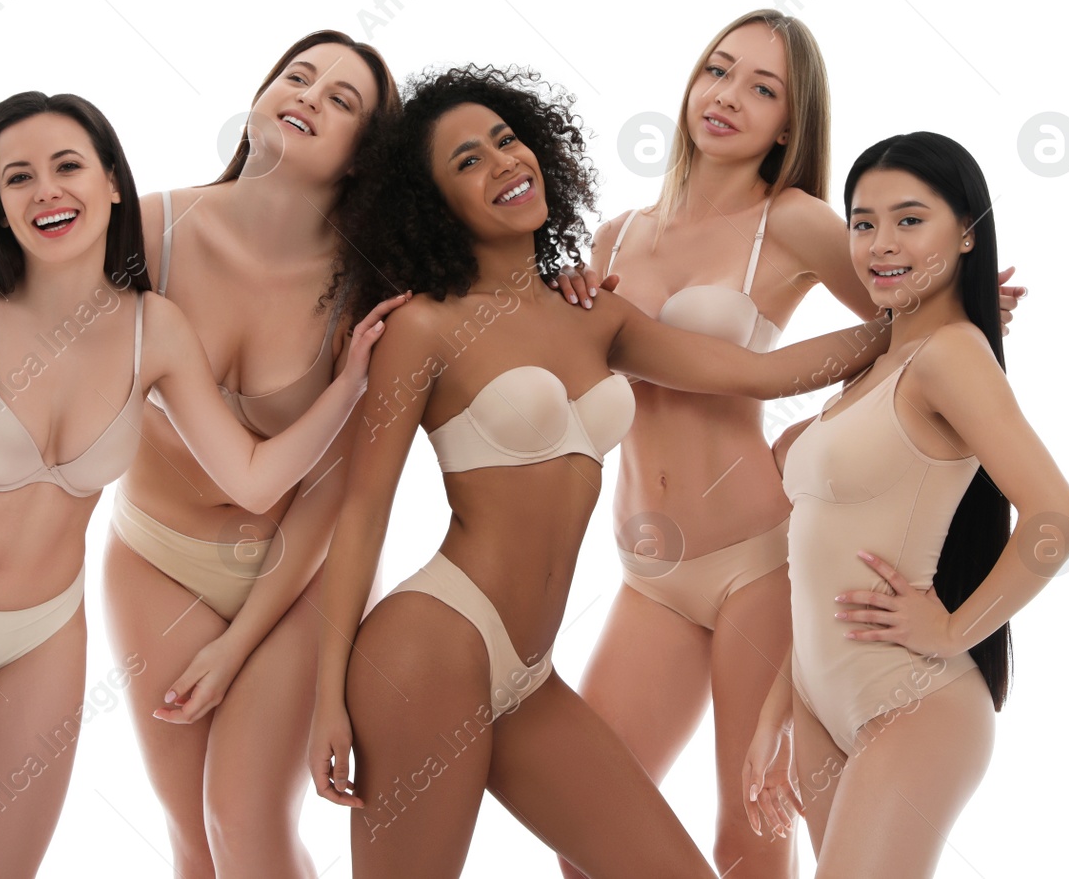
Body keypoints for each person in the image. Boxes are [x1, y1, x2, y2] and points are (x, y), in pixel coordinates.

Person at [0, 90, 401, 879]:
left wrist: (349, 385)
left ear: (112, 183)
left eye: (67, 165)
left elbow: (254, 479)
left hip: (38, 633)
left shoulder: (156, 331)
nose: (46, 189)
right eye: (18, 177)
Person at [305, 64, 895, 879]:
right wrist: (327, 694)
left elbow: (759, 372)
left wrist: (925, 318)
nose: (503, 162)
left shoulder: (594, 312)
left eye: (507, 140)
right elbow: (363, 512)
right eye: (467, 161)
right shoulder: (424, 328)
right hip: (430, 648)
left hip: (528, 672)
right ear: (433, 203)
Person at [550, 10, 1024, 878]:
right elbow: (588, 386)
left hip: (754, 562)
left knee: (751, 840)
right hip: (646, 569)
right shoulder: (619, 231)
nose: (729, 97)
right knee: (585, 838)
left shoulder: (796, 219)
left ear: (789, 123)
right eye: (718, 71)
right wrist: (566, 309)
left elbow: (902, 331)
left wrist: (948, 305)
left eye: (763, 88)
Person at [740, 131, 1069, 878]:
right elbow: (822, 571)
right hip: (820, 707)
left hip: (912, 701)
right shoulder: (873, 371)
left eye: (909, 219)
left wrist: (955, 628)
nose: (879, 243)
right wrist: (776, 714)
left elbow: (1060, 519)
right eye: (863, 223)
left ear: (965, 232)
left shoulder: (951, 357)